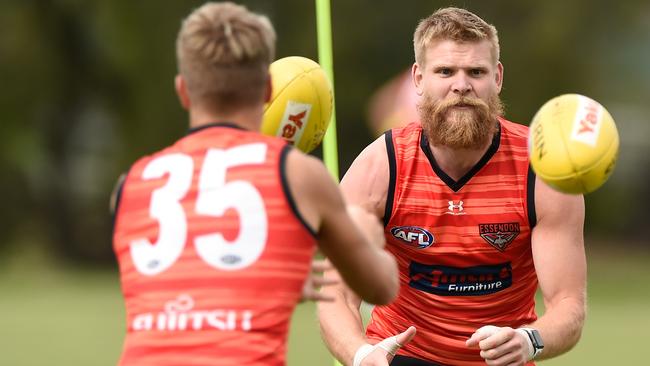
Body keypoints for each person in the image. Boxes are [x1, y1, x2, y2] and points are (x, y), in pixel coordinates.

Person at [110, 2, 399, 365]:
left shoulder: (130, 187)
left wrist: (268, 280)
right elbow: (381, 287)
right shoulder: (298, 176)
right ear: (266, 90)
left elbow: (174, 291)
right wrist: (367, 238)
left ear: (183, 91)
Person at [317, 7, 586, 366]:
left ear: (498, 77)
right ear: (418, 78)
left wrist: (529, 339)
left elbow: (568, 305)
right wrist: (362, 354)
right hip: (398, 355)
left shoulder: (544, 168)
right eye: (445, 71)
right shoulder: (381, 166)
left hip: (504, 357)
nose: (461, 85)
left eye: (476, 71)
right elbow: (337, 294)